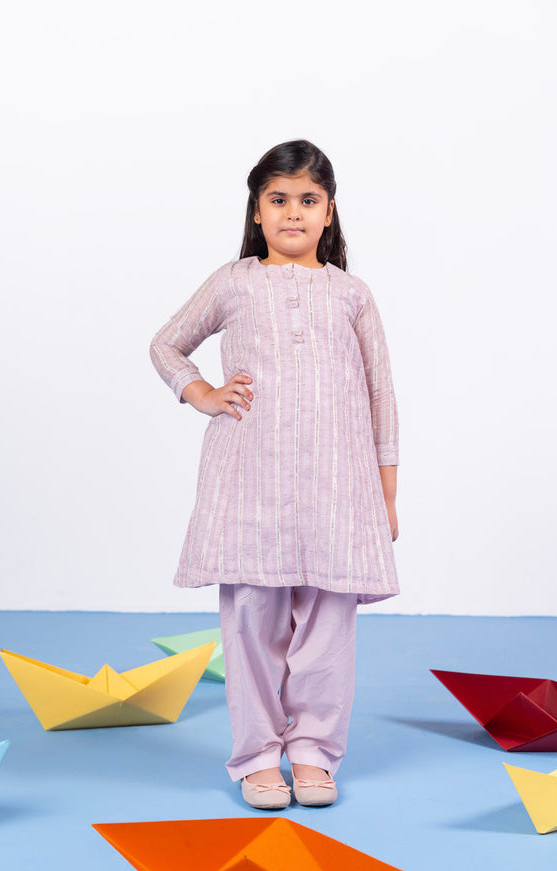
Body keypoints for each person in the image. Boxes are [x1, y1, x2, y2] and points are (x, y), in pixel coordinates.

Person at [149, 139, 400, 809]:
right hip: (249, 488)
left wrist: (386, 497)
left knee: (327, 630)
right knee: (251, 627)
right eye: (279, 199)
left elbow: (381, 396)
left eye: (308, 200)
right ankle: (258, 756)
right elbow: (166, 343)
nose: (294, 212)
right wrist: (202, 393)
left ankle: (314, 751)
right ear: (257, 211)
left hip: (338, 493)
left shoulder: (351, 294)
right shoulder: (233, 282)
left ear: (329, 211)